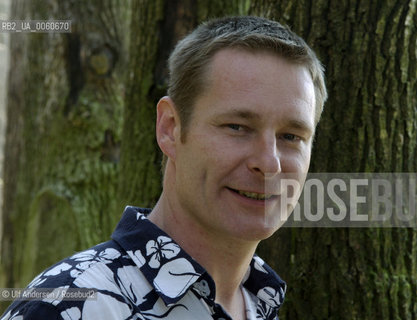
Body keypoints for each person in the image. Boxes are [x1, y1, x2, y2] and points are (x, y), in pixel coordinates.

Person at [1, 16, 326, 320]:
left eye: (291, 136)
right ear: (170, 128)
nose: (269, 163)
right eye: (237, 127)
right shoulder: (69, 307)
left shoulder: (260, 304)